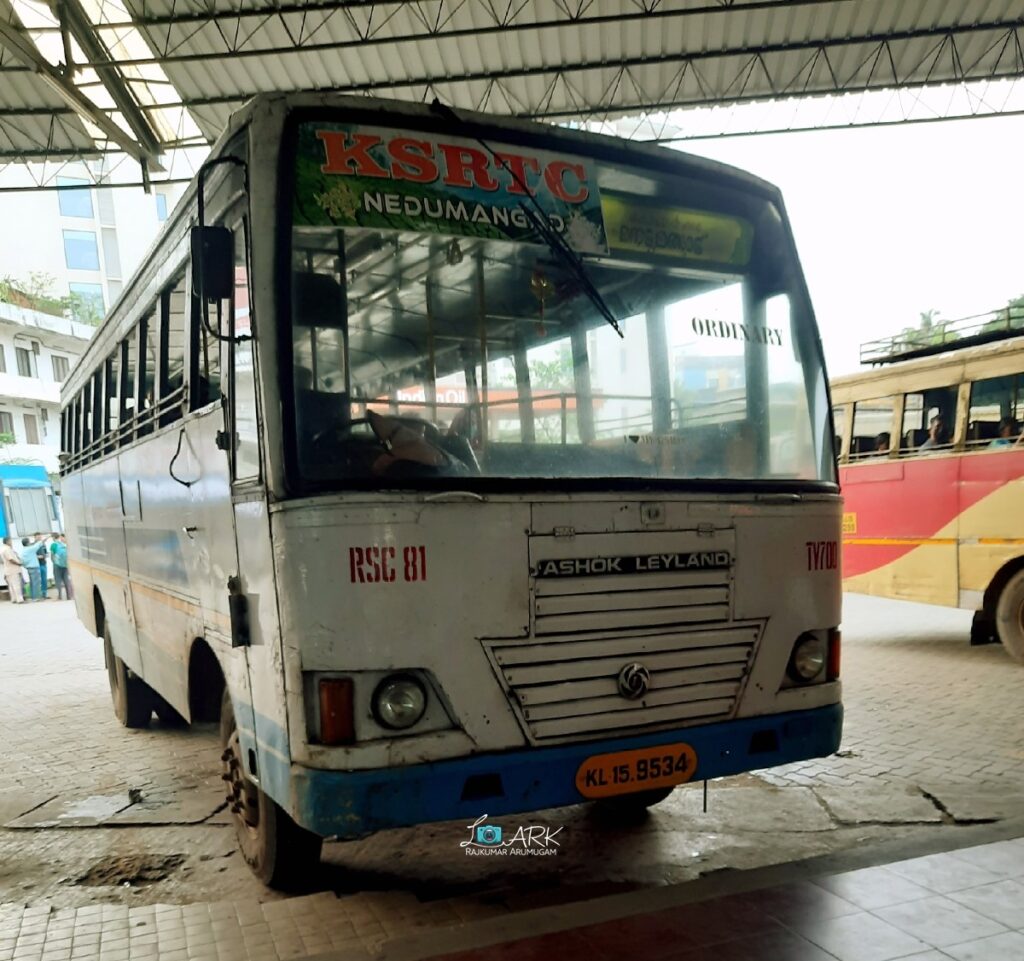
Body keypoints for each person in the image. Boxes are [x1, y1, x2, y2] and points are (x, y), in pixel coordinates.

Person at [2, 536, 25, 604]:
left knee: (11, 586)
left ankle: (14, 599)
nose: (11, 542)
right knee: (16, 585)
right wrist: (19, 563)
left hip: (8, 570)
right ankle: (19, 599)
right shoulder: (7, 549)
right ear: (7, 541)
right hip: (13, 569)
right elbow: (11, 559)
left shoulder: (3, 548)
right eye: (10, 541)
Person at [50, 534, 73, 600]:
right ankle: (69, 596)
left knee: (58, 581)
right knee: (66, 580)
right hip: (65, 565)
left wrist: (54, 562)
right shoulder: (64, 544)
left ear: (54, 538)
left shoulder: (54, 544)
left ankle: (60, 596)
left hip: (57, 565)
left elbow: (52, 555)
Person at [19, 536, 42, 601]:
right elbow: (37, 546)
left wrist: (26, 566)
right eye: (29, 541)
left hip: (29, 569)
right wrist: (40, 540)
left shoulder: (24, 551)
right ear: (27, 543)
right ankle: (35, 597)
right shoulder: (30, 549)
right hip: (34, 568)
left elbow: (22, 562)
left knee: (32, 583)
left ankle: (33, 597)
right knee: (36, 583)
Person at [35, 532, 49, 599]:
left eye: (40, 537)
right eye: (38, 537)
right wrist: (38, 556)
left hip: (44, 564)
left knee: (44, 579)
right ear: (35, 537)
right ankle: (38, 594)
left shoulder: (43, 545)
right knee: (38, 580)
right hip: (37, 565)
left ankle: (45, 594)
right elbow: (32, 555)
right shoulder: (33, 545)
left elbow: (46, 553)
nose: (39, 538)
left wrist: (46, 555)